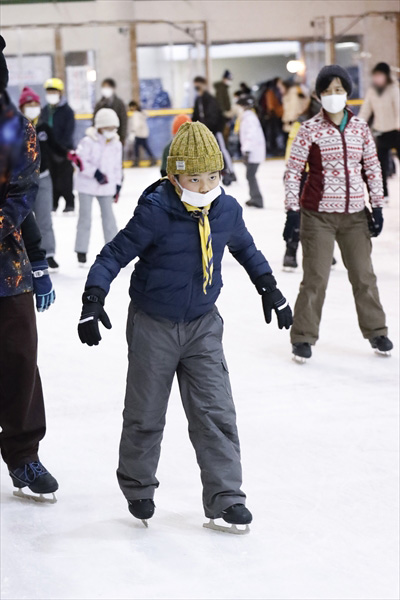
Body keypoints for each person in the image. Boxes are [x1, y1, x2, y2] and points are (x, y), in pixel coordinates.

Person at [77, 122, 292, 531]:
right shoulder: (156, 211)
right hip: (153, 324)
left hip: (203, 325)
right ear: (174, 176)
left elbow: (246, 248)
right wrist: (93, 298)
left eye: (212, 175)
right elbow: (114, 254)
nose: (205, 183)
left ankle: (227, 496)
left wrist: (270, 288)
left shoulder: (225, 208)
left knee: (216, 411)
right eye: (194, 177)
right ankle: (138, 486)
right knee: (145, 412)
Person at [284, 64, 392, 362]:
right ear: (319, 96)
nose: (334, 95)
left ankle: (377, 330)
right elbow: (293, 172)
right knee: (315, 277)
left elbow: (372, 168)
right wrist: (292, 212)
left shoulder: (359, 128)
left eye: (339, 90)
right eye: (328, 91)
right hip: (317, 215)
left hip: (356, 215)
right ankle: (303, 336)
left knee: (364, 275)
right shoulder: (309, 130)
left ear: (347, 93)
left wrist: (377, 206)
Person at [0, 35, 58, 500]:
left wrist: (37, 263)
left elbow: (22, 195)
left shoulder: (16, 129)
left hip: (6, 268)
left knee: (20, 359)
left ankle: (23, 456)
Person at [19, 86, 80, 270]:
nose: (33, 107)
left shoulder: (44, 127)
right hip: (21, 182)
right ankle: (24, 256)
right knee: (22, 220)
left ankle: (49, 254)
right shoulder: (15, 127)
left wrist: (70, 154)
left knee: (45, 219)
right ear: (22, 107)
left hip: (43, 178)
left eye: (35, 104)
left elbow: (55, 145)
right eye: (29, 104)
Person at [74, 108, 122, 266]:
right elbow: (79, 161)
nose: (111, 131)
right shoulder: (88, 141)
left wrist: (117, 185)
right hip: (86, 185)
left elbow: (117, 167)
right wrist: (95, 173)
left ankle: (114, 249)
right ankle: (81, 250)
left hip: (106, 187)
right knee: (85, 217)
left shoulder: (117, 143)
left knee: (109, 218)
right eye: (108, 128)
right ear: (100, 127)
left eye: (113, 128)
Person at [359, 62, 400, 200]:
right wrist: (357, 125)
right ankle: (384, 193)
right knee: (380, 165)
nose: (377, 78)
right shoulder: (372, 91)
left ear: (386, 76)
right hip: (380, 131)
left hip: (395, 131)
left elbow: (399, 108)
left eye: (379, 75)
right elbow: (366, 110)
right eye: (375, 75)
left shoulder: (393, 89)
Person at [40, 78, 75, 213]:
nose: (51, 94)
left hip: (64, 150)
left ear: (60, 92)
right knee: (52, 179)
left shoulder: (67, 111)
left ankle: (69, 203)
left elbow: (69, 131)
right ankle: (54, 203)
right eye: (49, 91)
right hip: (48, 152)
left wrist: (61, 148)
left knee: (66, 179)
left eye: (54, 91)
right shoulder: (44, 110)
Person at [193, 76, 236, 185]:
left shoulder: (210, 99)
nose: (197, 88)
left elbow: (214, 116)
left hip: (215, 130)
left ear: (203, 85)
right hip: (203, 131)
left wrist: (211, 128)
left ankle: (230, 171)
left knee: (221, 149)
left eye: (198, 85)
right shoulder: (198, 100)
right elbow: (196, 115)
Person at [237, 95, 266, 208]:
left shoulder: (249, 118)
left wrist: (247, 151)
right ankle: (254, 197)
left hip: (253, 152)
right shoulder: (248, 117)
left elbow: (251, 135)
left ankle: (257, 199)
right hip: (253, 151)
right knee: (250, 175)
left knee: (250, 175)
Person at [93, 78, 128, 146]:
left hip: (116, 136)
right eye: (104, 87)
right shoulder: (99, 104)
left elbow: (124, 121)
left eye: (107, 87)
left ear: (113, 88)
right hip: (101, 138)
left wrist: (122, 137)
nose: (105, 89)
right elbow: (94, 120)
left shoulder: (119, 103)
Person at [278, 79, 310, 144]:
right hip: (290, 124)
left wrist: (301, 114)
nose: (279, 91)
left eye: (280, 88)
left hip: (297, 123)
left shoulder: (295, 91)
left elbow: (307, 100)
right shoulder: (285, 96)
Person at [128, 101, 156, 167]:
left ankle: (138, 162)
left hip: (139, 134)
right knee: (141, 147)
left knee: (139, 148)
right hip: (143, 133)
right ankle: (152, 159)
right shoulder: (142, 113)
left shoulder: (136, 114)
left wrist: (133, 131)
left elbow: (137, 124)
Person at [214, 69, 234, 143]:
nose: (229, 81)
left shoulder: (224, 88)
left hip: (224, 117)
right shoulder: (221, 89)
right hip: (222, 118)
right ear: (224, 78)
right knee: (223, 138)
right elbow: (220, 103)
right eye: (228, 79)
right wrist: (225, 113)